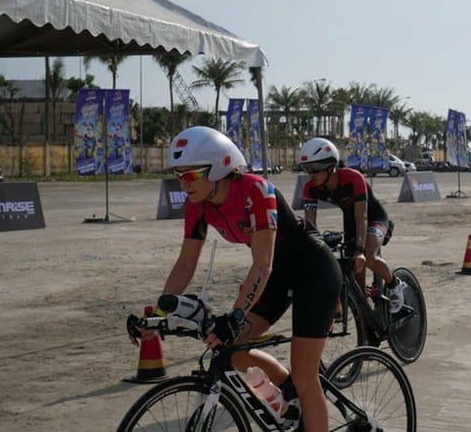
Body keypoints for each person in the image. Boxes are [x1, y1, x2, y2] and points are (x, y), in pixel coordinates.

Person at [151, 126, 341, 431]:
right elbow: (186, 263)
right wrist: (158, 312)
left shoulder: (257, 190)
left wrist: (237, 313)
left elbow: (262, 263)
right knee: (231, 352)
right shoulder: (197, 205)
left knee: (306, 376)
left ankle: (302, 391)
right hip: (275, 275)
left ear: (219, 167)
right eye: (178, 175)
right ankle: (289, 396)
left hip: (313, 271)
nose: (184, 184)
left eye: (191, 175)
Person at [298, 138, 406, 313]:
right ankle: (366, 319)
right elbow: (310, 226)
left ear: (330, 165)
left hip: (374, 218)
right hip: (351, 223)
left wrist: (360, 250)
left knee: (368, 257)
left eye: (314, 169)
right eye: (306, 169)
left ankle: (395, 284)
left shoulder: (353, 178)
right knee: (356, 278)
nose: (310, 174)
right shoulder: (310, 188)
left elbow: (362, 216)